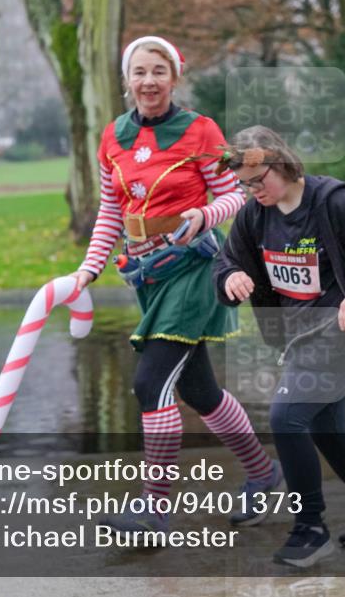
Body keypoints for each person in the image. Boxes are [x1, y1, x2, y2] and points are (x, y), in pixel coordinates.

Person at [69, 36, 281, 534]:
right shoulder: (112, 137)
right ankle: (262, 472)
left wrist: (204, 213)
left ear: (174, 77)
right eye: (140, 72)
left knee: (150, 383)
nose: (149, 81)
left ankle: (154, 509)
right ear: (127, 79)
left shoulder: (200, 131)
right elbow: (110, 212)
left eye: (159, 71)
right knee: (200, 390)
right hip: (147, 273)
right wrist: (87, 270)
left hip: (194, 268)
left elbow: (237, 196)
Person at [213, 125, 345, 567]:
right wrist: (230, 276)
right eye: (243, 184)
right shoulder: (254, 216)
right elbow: (226, 259)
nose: (251, 191)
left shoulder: (332, 202)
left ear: (280, 162)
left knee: (287, 417)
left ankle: (310, 528)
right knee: (328, 433)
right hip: (299, 341)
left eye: (257, 180)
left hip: (343, 335)